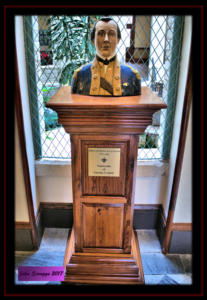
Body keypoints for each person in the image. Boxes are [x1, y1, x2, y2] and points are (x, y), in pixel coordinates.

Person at [71, 17, 141, 96]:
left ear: (118, 39)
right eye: (101, 34)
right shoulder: (80, 75)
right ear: (93, 40)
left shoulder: (132, 76)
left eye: (111, 34)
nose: (106, 39)